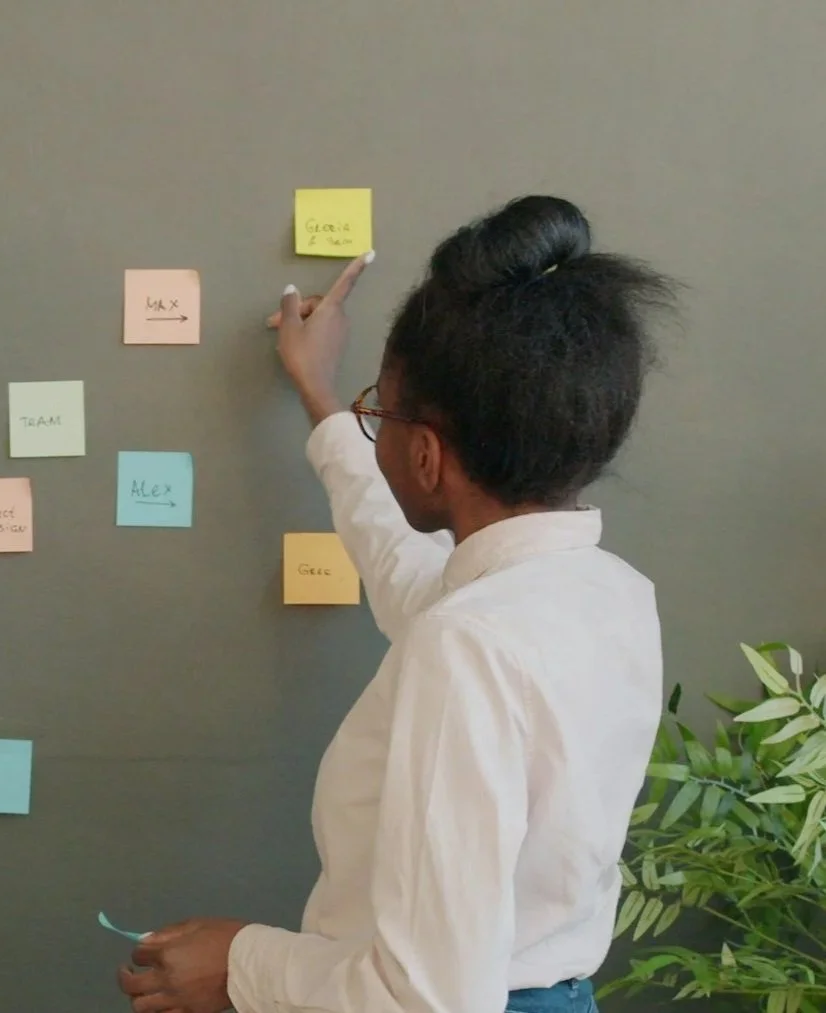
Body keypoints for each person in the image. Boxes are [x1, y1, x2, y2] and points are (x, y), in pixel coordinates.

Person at [118, 196, 676, 1013]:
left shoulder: (470, 641)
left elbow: (423, 998)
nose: (371, 426)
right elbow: (409, 574)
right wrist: (321, 397)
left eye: (378, 411)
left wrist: (240, 963)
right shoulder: (603, 593)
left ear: (424, 454)